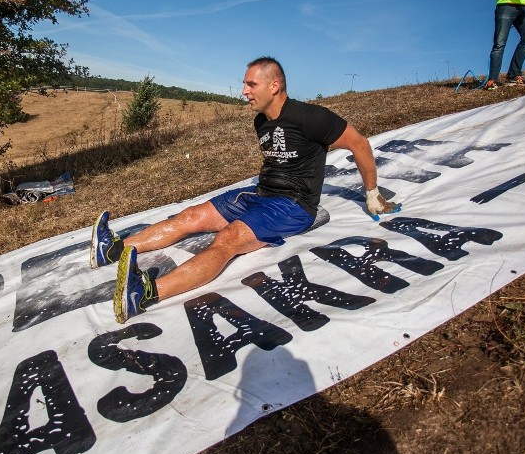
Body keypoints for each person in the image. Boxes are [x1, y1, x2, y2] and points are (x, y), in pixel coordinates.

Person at [91, 56, 400, 323]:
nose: (244, 91)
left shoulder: (311, 117)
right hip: (260, 195)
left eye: (251, 84)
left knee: (228, 239)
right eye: (245, 84)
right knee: (190, 217)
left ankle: (144, 293)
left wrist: (371, 193)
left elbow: (359, 143)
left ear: (274, 86)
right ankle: (114, 250)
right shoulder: (260, 122)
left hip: (293, 205)